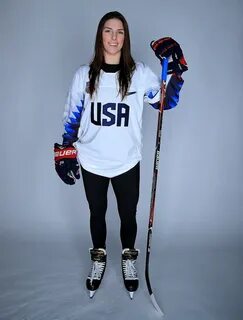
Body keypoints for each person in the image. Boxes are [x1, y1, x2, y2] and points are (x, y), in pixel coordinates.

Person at [54, 11, 188, 299]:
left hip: (127, 161)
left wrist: (175, 70)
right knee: (97, 213)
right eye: (108, 31)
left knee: (128, 215)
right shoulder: (83, 75)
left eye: (120, 32)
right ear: (100, 35)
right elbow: (71, 117)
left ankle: (128, 258)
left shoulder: (139, 73)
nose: (114, 37)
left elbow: (165, 102)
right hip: (92, 160)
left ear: (126, 37)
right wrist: (65, 151)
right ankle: (98, 259)